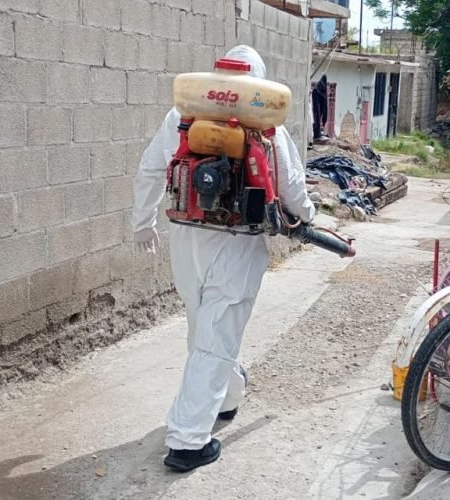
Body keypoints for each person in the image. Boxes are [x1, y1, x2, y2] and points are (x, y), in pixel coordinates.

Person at [131, 45, 317, 472]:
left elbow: (149, 169)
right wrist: (309, 215)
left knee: (206, 325)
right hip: (235, 240)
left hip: (186, 235)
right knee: (217, 333)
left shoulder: (181, 116)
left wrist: (142, 222)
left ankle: (228, 396)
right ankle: (188, 440)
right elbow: (290, 183)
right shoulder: (265, 123)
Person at [312, 74, 328, 140]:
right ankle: (317, 133)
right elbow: (325, 106)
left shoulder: (316, 89)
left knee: (316, 118)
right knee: (317, 118)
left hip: (316, 107)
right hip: (320, 108)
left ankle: (317, 132)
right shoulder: (323, 90)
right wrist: (324, 118)